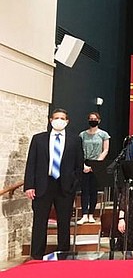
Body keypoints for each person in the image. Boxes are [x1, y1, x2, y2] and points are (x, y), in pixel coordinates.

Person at [24, 108, 84, 260]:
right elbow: (31, 163)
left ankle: (63, 253)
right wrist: (29, 185)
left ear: (67, 121)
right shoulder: (38, 139)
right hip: (43, 185)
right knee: (40, 222)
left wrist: (74, 184)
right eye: (56, 117)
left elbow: (79, 164)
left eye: (62, 118)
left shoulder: (75, 139)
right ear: (50, 120)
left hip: (65, 186)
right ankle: (37, 255)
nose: (59, 120)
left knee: (64, 222)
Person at [77, 112, 110, 225]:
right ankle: (84, 214)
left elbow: (105, 150)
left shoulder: (103, 134)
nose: (93, 120)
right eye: (91, 118)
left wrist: (96, 164)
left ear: (99, 120)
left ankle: (91, 214)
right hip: (85, 163)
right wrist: (84, 165)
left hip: (97, 163)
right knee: (84, 190)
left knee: (93, 190)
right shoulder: (82, 135)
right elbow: (79, 150)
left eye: (95, 119)